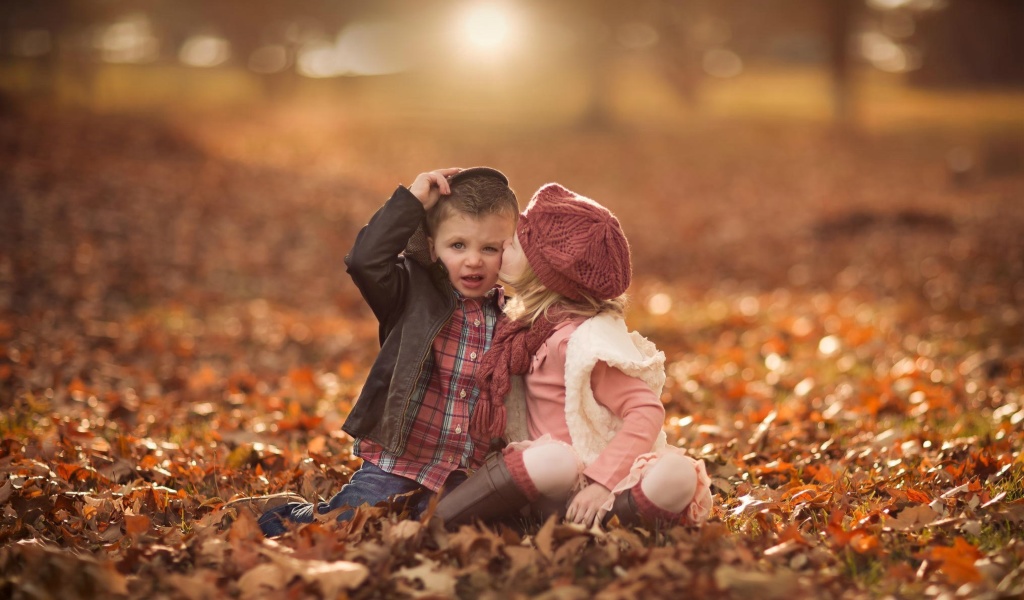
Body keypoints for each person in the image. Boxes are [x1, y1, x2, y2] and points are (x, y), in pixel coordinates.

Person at [434, 183, 713, 529]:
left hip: (602, 477)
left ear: (544, 273)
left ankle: (604, 520)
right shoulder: (523, 328)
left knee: (677, 473)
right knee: (554, 460)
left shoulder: (582, 342)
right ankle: (441, 520)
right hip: (548, 478)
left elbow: (645, 410)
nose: (505, 243)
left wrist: (600, 483)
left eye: (516, 242)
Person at [258, 167, 519, 536]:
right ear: (432, 245)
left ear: (508, 251)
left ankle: (418, 515)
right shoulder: (411, 291)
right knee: (347, 523)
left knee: (443, 530)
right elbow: (364, 261)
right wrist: (411, 202)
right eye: (458, 245)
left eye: (489, 248)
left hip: (463, 470)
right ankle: (287, 515)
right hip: (397, 462)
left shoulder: (514, 315)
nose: (473, 260)